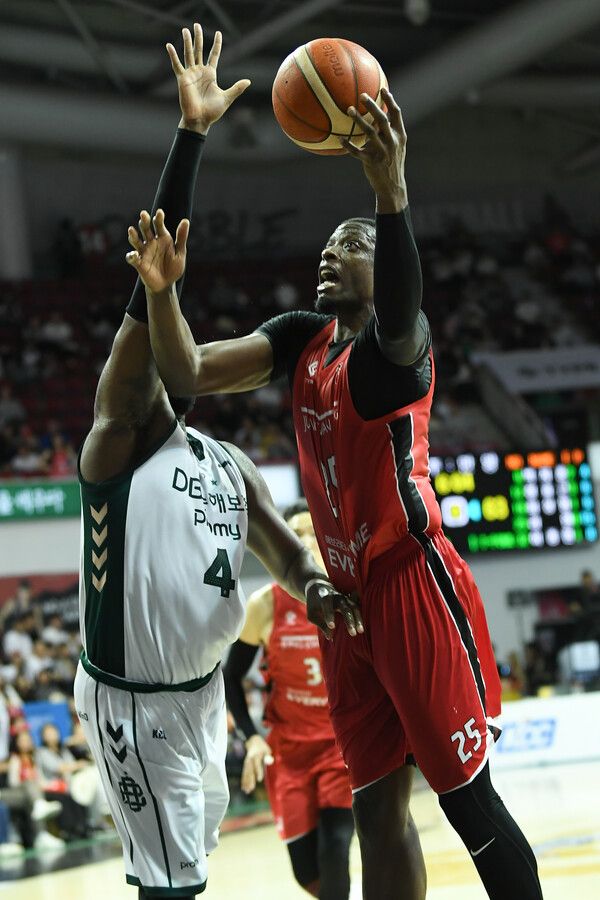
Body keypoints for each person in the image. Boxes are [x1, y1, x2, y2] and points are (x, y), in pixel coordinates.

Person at [129, 34, 544, 899]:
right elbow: (186, 373)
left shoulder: (399, 352)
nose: (329, 250)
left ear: (377, 263)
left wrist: (387, 196)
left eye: (348, 243)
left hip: (412, 584)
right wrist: (163, 291)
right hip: (345, 604)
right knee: (378, 815)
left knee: (471, 809)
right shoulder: (301, 338)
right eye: (325, 243)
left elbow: (402, 303)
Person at [74, 25, 361, 900]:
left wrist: (315, 587)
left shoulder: (231, 464)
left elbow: (281, 551)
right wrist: (189, 139)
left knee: (186, 875)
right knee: (172, 887)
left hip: (200, 699)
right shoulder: (115, 444)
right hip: (134, 698)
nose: (159, 362)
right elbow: (150, 338)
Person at [224, 500, 354, 900]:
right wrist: (253, 736)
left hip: (340, 747)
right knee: (306, 873)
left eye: (310, 532)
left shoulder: (350, 593)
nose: (302, 541)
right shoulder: (265, 605)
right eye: (293, 535)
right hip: (290, 752)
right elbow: (230, 678)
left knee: (336, 849)